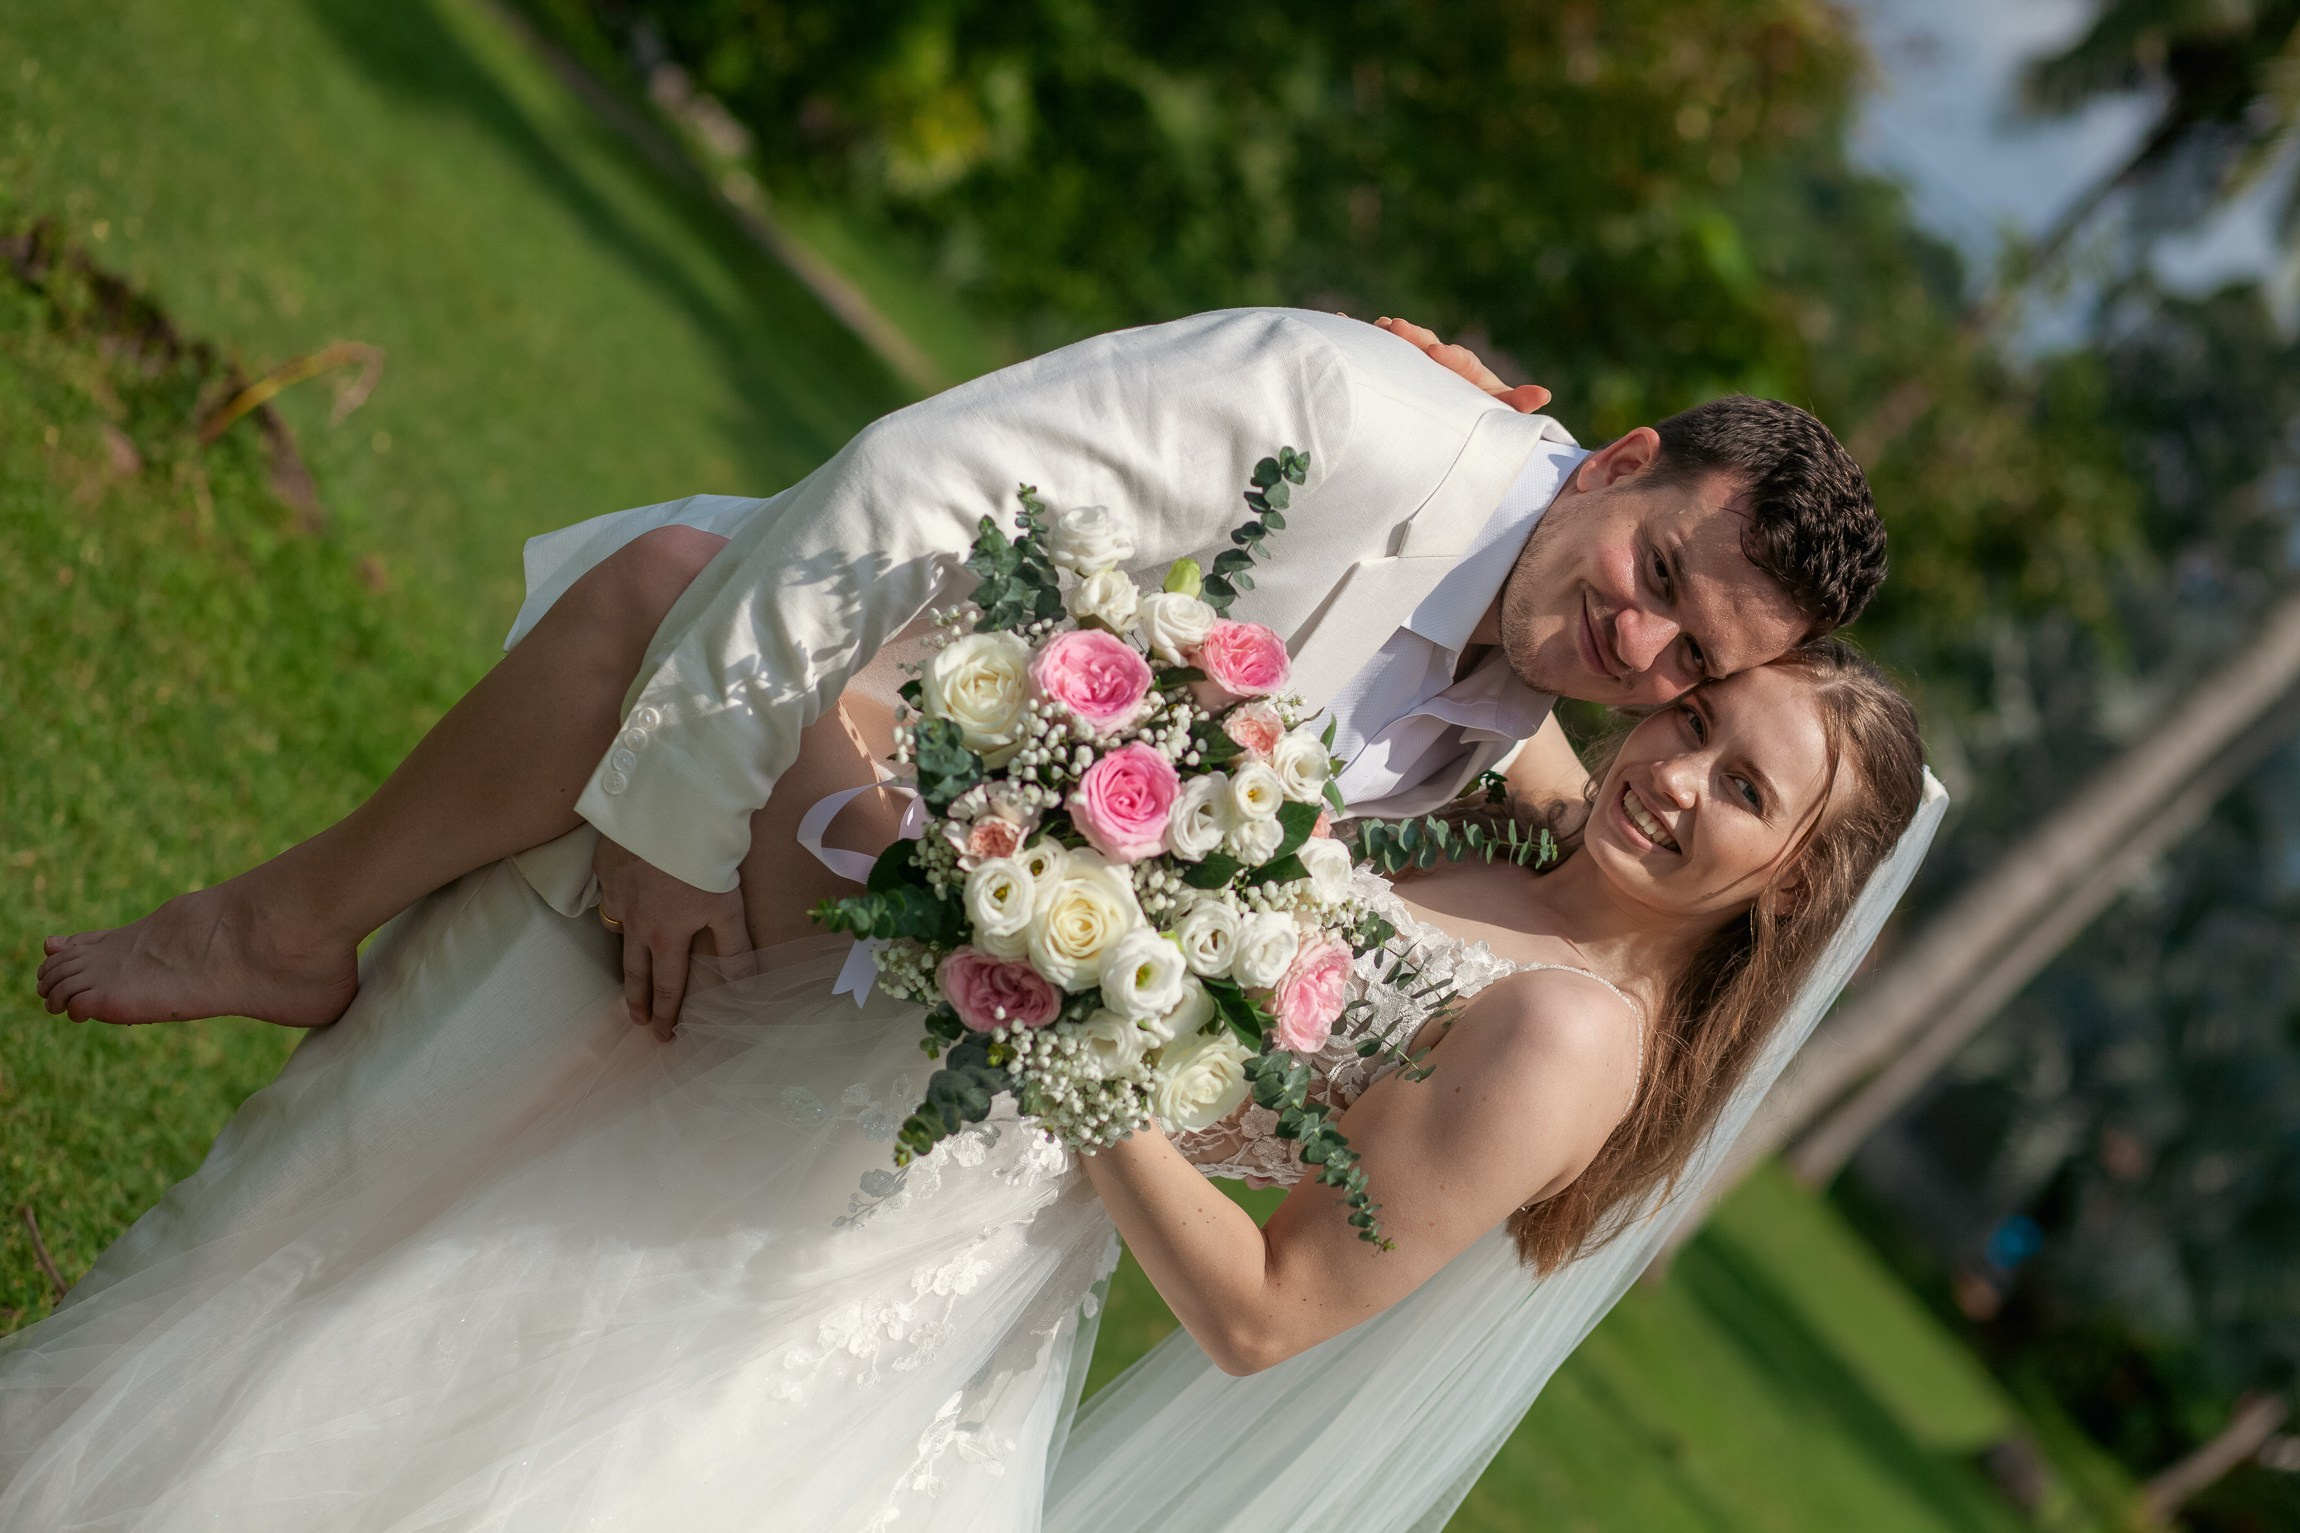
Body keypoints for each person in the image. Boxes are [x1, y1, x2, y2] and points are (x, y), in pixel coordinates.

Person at [0, 632, 1930, 1529]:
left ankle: (290, 929)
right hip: (913, 1124)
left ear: (1791, 882)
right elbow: (1521, 644)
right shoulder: (1551, 845)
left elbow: (1268, 1310)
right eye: (1694, 716)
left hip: (979, 1240)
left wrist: (1083, 1041)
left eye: (1741, 786)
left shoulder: (1574, 1029)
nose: (1672, 771)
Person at [36, 310, 1885, 1038]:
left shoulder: (1528, 716)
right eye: (1655, 574)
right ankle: (276, 920)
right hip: (780, 746)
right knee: (671, 585)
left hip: (938, 974)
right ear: (1622, 458)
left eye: (1692, 660)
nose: (1637, 643)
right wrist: (680, 818)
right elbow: (913, 481)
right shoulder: (1352, 413)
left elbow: (1634, 847)